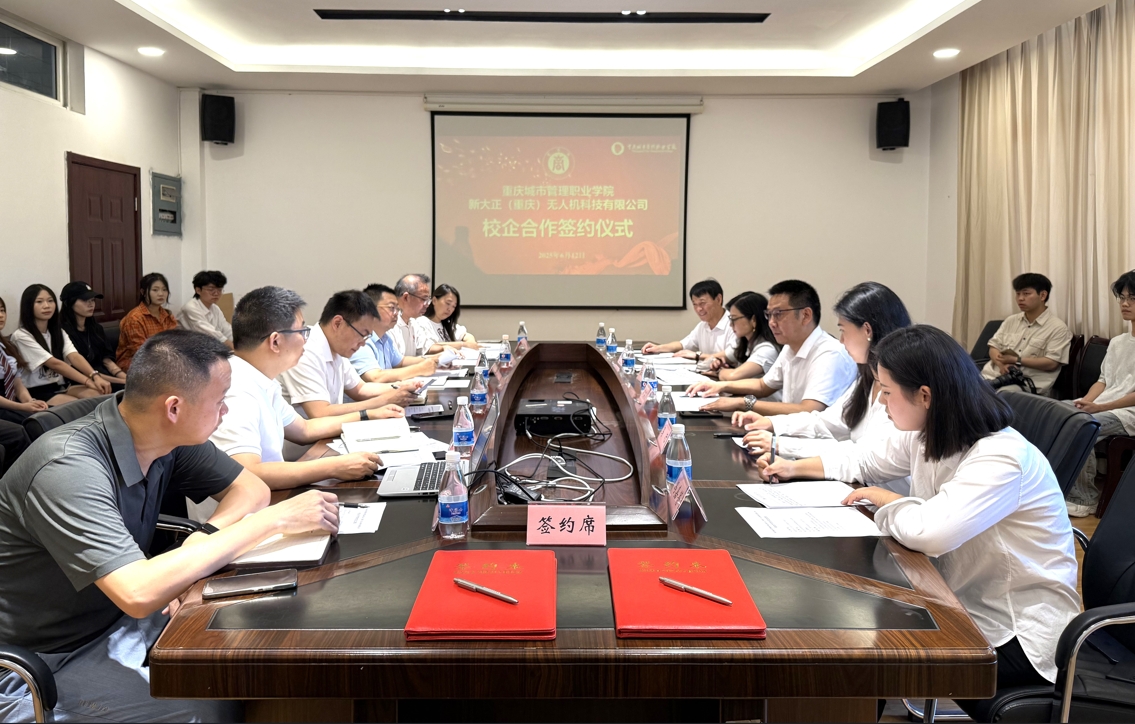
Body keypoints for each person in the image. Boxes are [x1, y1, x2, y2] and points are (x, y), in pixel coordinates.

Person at [0, 329, 341, 723]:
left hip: (120, 621)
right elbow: (138, 591)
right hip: (46, 660)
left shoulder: (163, 436)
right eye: (220, 401)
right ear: (174, 407)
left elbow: (251, 489)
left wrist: (203, 537)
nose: (225, 413)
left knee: (253, 659)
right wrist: (271, 522)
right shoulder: (66, 466)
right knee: (208, 702)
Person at [759, 325, 1080, 716]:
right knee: (849, 615)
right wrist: (793, 467)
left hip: (1015, 633)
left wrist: (889, 500)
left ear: (924, 396)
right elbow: (864, 460)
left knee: (859, 642)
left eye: (887, 392)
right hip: (954, 595)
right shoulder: (929, 432)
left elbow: (930, 533)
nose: (882, 402)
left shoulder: (1002, 457)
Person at [732, 283, 912, 493]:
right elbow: (827, 421)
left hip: (885, 496)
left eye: (843, 330)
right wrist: (772, 424)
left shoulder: (897, 387)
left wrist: (781, 446)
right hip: (860, 488)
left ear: (867, 331)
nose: (841, 341)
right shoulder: (867, 379)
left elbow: (864, 457)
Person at [210, 286, 388, 489]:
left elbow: (304, 429)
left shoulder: (263, 380)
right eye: (302, 331)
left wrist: (368, 415)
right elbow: (248, 473)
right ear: (275, 341)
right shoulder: (235, 389)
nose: (306, 339)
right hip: (250, 505)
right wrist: (334, 467)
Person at [687, 280, 857, 415]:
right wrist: (721, 386)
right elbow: (763, 386)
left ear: (805, 315)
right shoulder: (790, 348)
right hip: (790, 433)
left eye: (778, 314)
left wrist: (743, 403)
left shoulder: (829, 353)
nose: (771, 323)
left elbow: (809, 410)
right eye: (769, 315)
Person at [278, 290, 423, 419]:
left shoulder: (337, 348)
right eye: (362, 334)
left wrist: (400, 387)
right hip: (303, 440)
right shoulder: (305, 350)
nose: (363, 343)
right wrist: (383, 401)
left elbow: (360, 389)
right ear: (337, 323)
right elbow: (320, 413)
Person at [1065, 270, 1135, 517]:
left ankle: (1085, 499)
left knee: (1083, 425)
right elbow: (1103, 381)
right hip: (1107, 404)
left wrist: (1099, 408)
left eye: (1132, 298)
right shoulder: (1118, 342)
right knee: (1058, 413)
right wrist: (1085, 401)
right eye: (1122, 298)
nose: (1125, 304)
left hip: (1129, 412)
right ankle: (1058, 487)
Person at [10, 284, 111, 405]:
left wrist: (95, 376)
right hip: (36, 391)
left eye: (50, 301)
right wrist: (88, 381)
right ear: (28, 306)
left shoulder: (58, 331)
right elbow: (55, 364)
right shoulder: (21, 336)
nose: (46, 306)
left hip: (60, 386)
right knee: (78, 406)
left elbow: (74, 356)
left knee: (100, 396)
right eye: (39, 302)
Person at [980, 273, 1071, 395]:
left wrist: (1016, 360)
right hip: (992, 375)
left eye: (1026, 294)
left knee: (997, 396)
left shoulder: (1058, 328)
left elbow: (1051, 363)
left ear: (1043, 295)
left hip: (1026, 384)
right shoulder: (1011, 321)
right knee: (962, 385)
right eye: (1018, 294)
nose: (1020, 298)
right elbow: (994, 346)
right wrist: (1001, 365)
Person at [350, 284, 440, 383]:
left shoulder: (385, 338)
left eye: (398, 309)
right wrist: (419, 369)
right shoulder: (361, 340)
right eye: (391, 308)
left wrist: (435, 359)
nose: (396, 313)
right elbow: (375, 377)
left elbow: (401, 361)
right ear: (371, 309)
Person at [641, 279, 736, 360]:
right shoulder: (702, 326)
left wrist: (698, 356)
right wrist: (658, 348)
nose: (699, 309)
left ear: (718, 299)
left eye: (702, 303)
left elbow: (732, 355)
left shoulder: (734, 323)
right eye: (695, 304)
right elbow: (683, 344)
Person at [59, 281, 127, 386]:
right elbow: (77, 371)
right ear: (69, 302)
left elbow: (106, 359)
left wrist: (123, 376)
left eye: (92, 300)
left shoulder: (96, 328)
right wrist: (121, 382)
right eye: (85, 300)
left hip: (104, 376)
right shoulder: (61, 331)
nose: (91, 304)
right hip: (82, 381)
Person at [706, 292, 780, 383]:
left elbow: (732, 376)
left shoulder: (767, 349)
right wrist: (718, 362)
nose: (730, 324)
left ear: (753, 320)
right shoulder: (745, 342)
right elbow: (720, 357)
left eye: (734, 319)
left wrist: (720, 372)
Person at [117, 272, 178, 372]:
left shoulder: (167, 315)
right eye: (155, 290)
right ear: (143, 292)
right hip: (135, 362)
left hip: (163, 359)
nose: (161, 294)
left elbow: (175, 342)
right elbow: (141, 352)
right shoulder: (135, 318)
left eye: (164, 290)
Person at [413, 283, 477, 353]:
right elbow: (429, 347)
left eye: (453, 306)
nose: (450, 309)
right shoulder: (422, 322)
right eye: (448, 303)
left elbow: (467, 335)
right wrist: (463, 345)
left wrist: (470, 342)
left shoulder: (446, 323)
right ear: (434, 300)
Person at [176, 270, 234, 348]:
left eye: (219, 290)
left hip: (207, 347)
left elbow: (227, 330)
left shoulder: (215, 308)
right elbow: (209, 334)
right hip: (186, 349)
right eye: (211, 289)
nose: (216, 293)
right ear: (198, 290)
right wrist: (235, 348)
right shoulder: (190, 307)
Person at [388, 273, 432, 358]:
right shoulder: (389, 324)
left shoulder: (414, 323)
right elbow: (396, 362)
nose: (427, 304)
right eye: (424, 299)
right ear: (406, 297)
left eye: (428, 300)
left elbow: (420, 354)